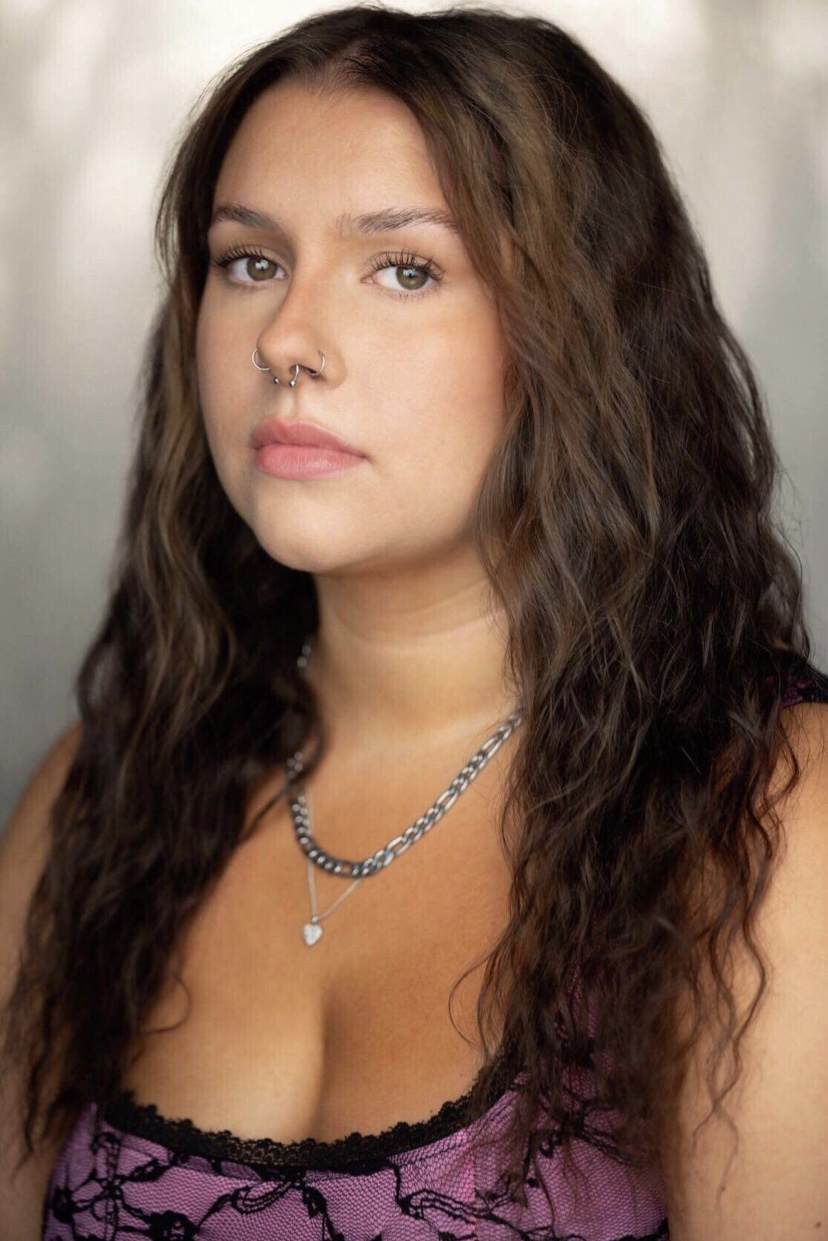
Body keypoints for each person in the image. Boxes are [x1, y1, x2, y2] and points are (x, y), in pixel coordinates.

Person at [1, 4, 826, 1237]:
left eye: (405, 268)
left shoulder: (763, 809)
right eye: (250, 260)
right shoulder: (103, 794)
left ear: (581, 330)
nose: (286, 339)